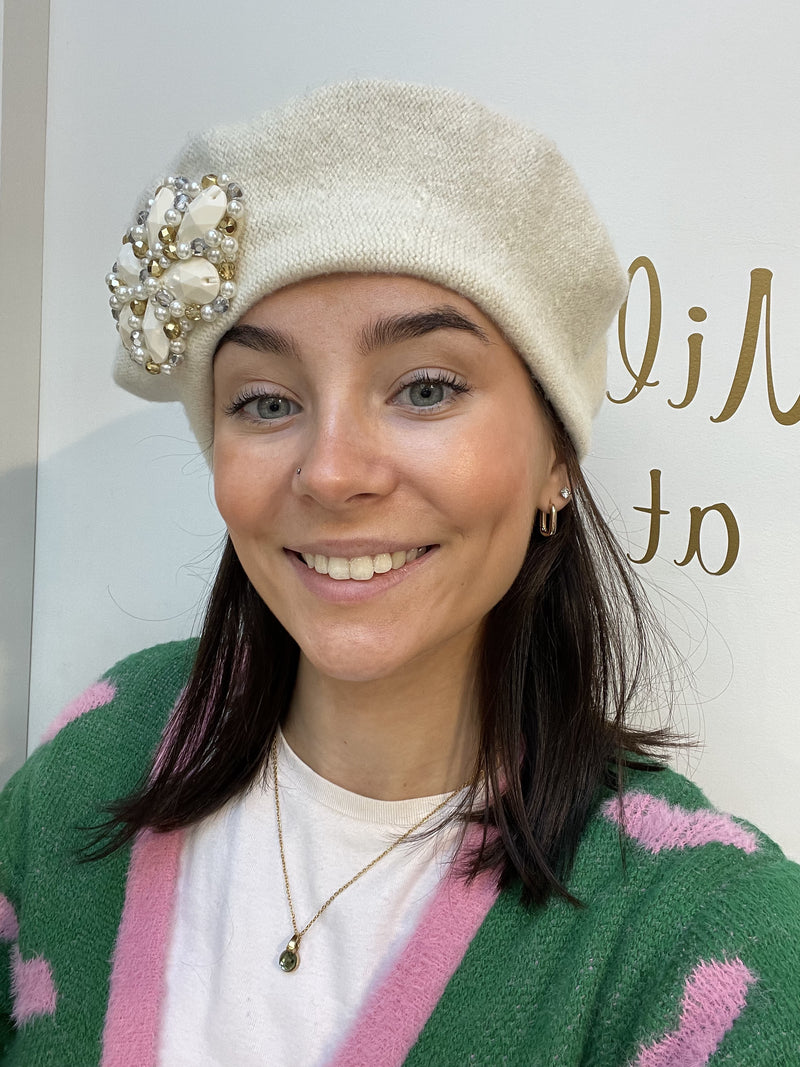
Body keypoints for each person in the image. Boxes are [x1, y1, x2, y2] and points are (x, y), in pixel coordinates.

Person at [1, 81, 798, 1067]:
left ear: (555, 455)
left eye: (424, 387)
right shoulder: (96, 757)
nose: (332, 470)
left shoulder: (705, 937)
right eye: (263, 399)